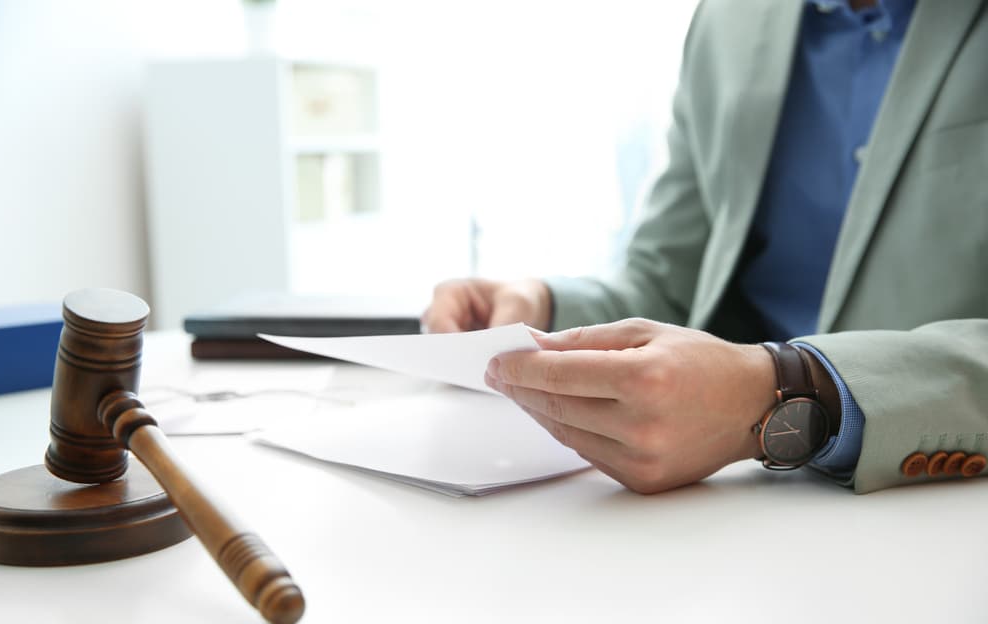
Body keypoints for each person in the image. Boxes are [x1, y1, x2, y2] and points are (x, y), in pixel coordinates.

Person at [421, 0, 988, 495]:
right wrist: (543, 309)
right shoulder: (729, 21)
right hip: (737, 503)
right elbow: (667, 284)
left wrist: (782, 391)